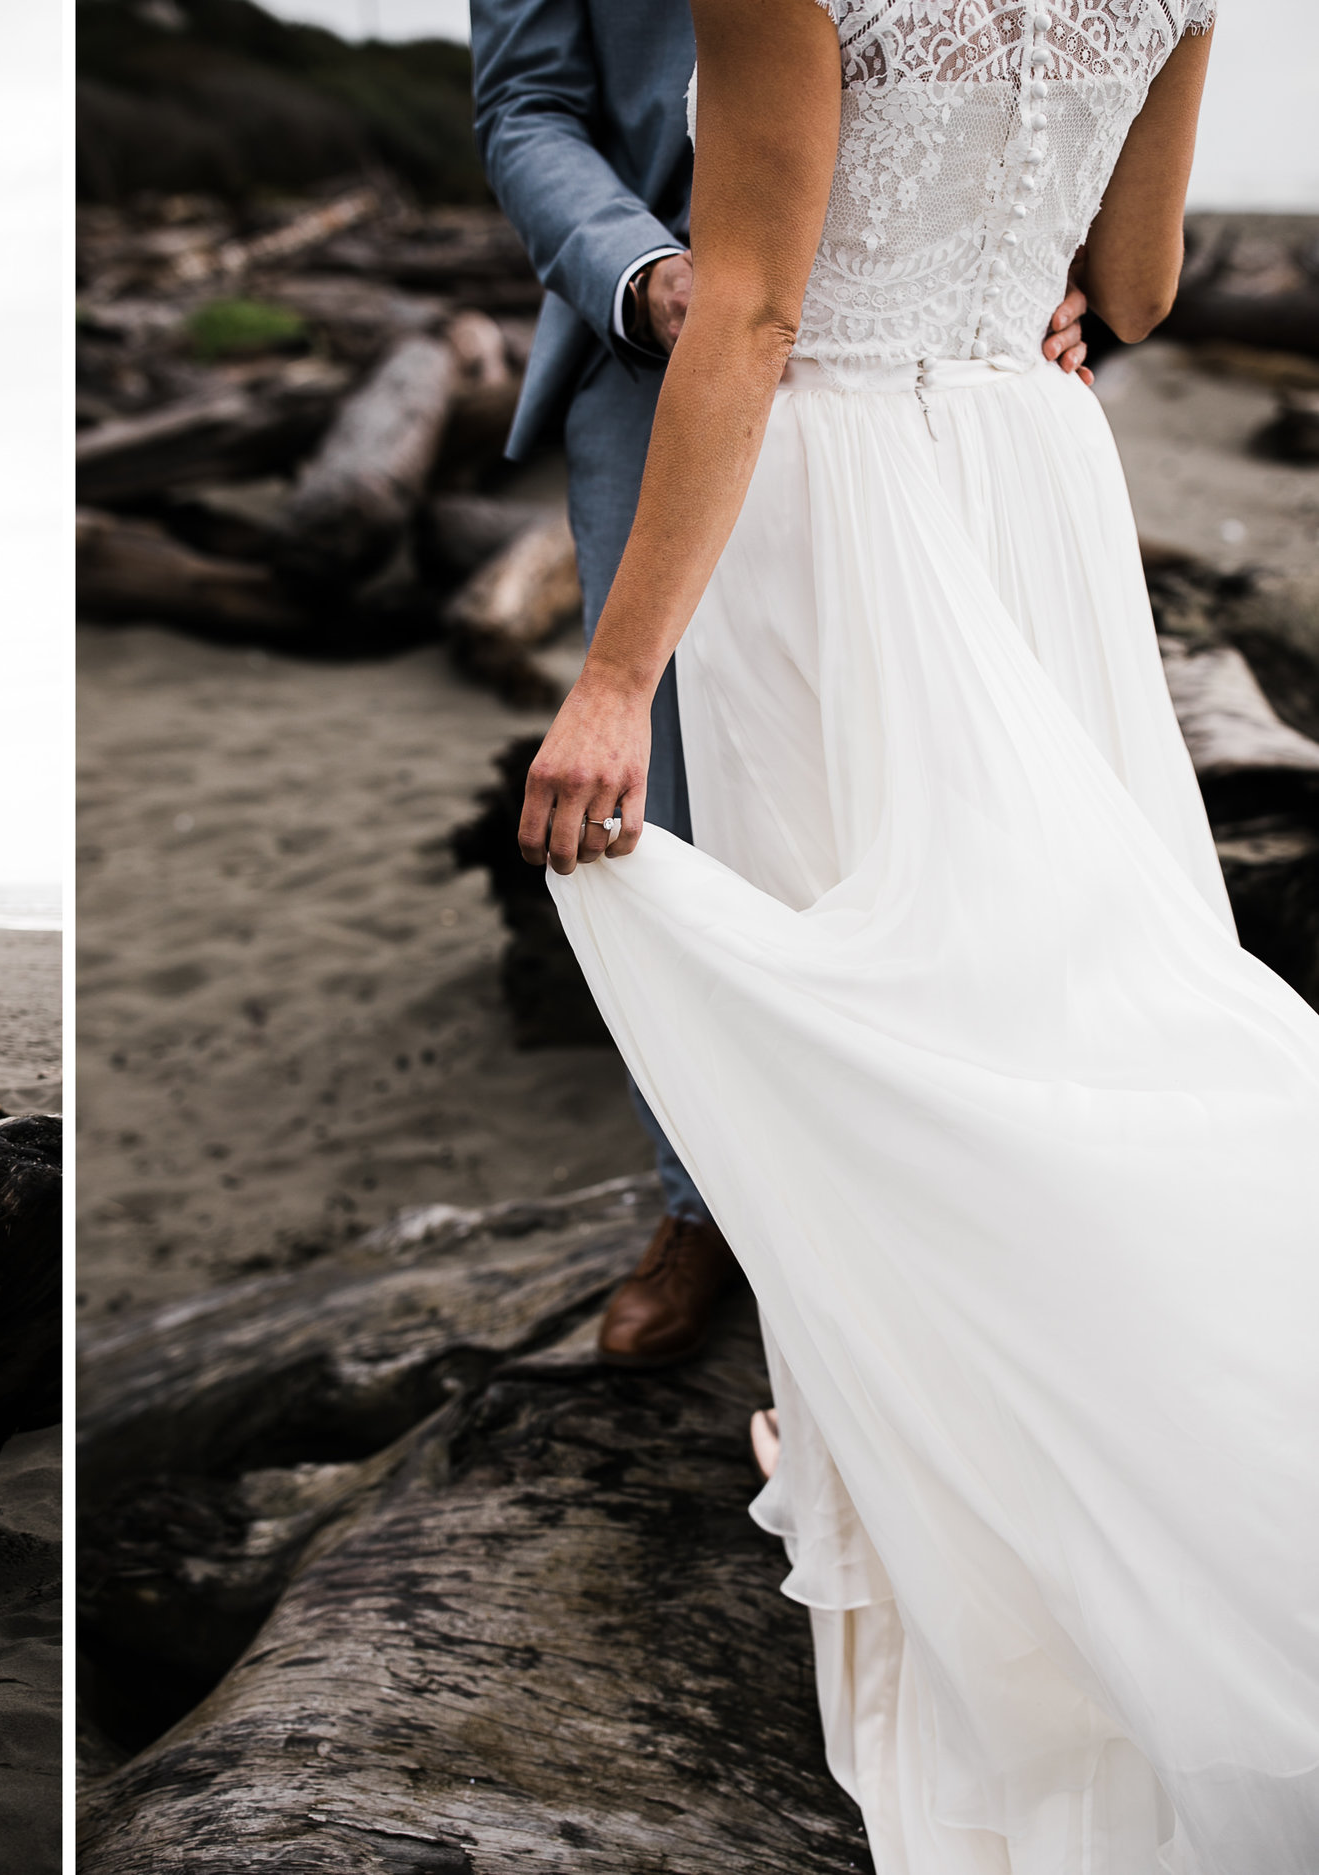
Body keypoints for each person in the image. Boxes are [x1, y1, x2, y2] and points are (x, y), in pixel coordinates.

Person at [517, 0, 1319, 1860]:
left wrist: (617, 675)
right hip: (1035, 462)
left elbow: (758, 310)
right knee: (1073, 986)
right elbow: (1133, 278)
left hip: (835, 488)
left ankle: (906, 1462)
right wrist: (1035, 312)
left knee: (875, 994)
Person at [470, 0, 1094, 1369]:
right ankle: (707, 1206)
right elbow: (524, 106)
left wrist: (1058, 255)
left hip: (926, 381)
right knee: (676, 801)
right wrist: (648, 274)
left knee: (947, 777)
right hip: (668, 369)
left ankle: (942, 1194)